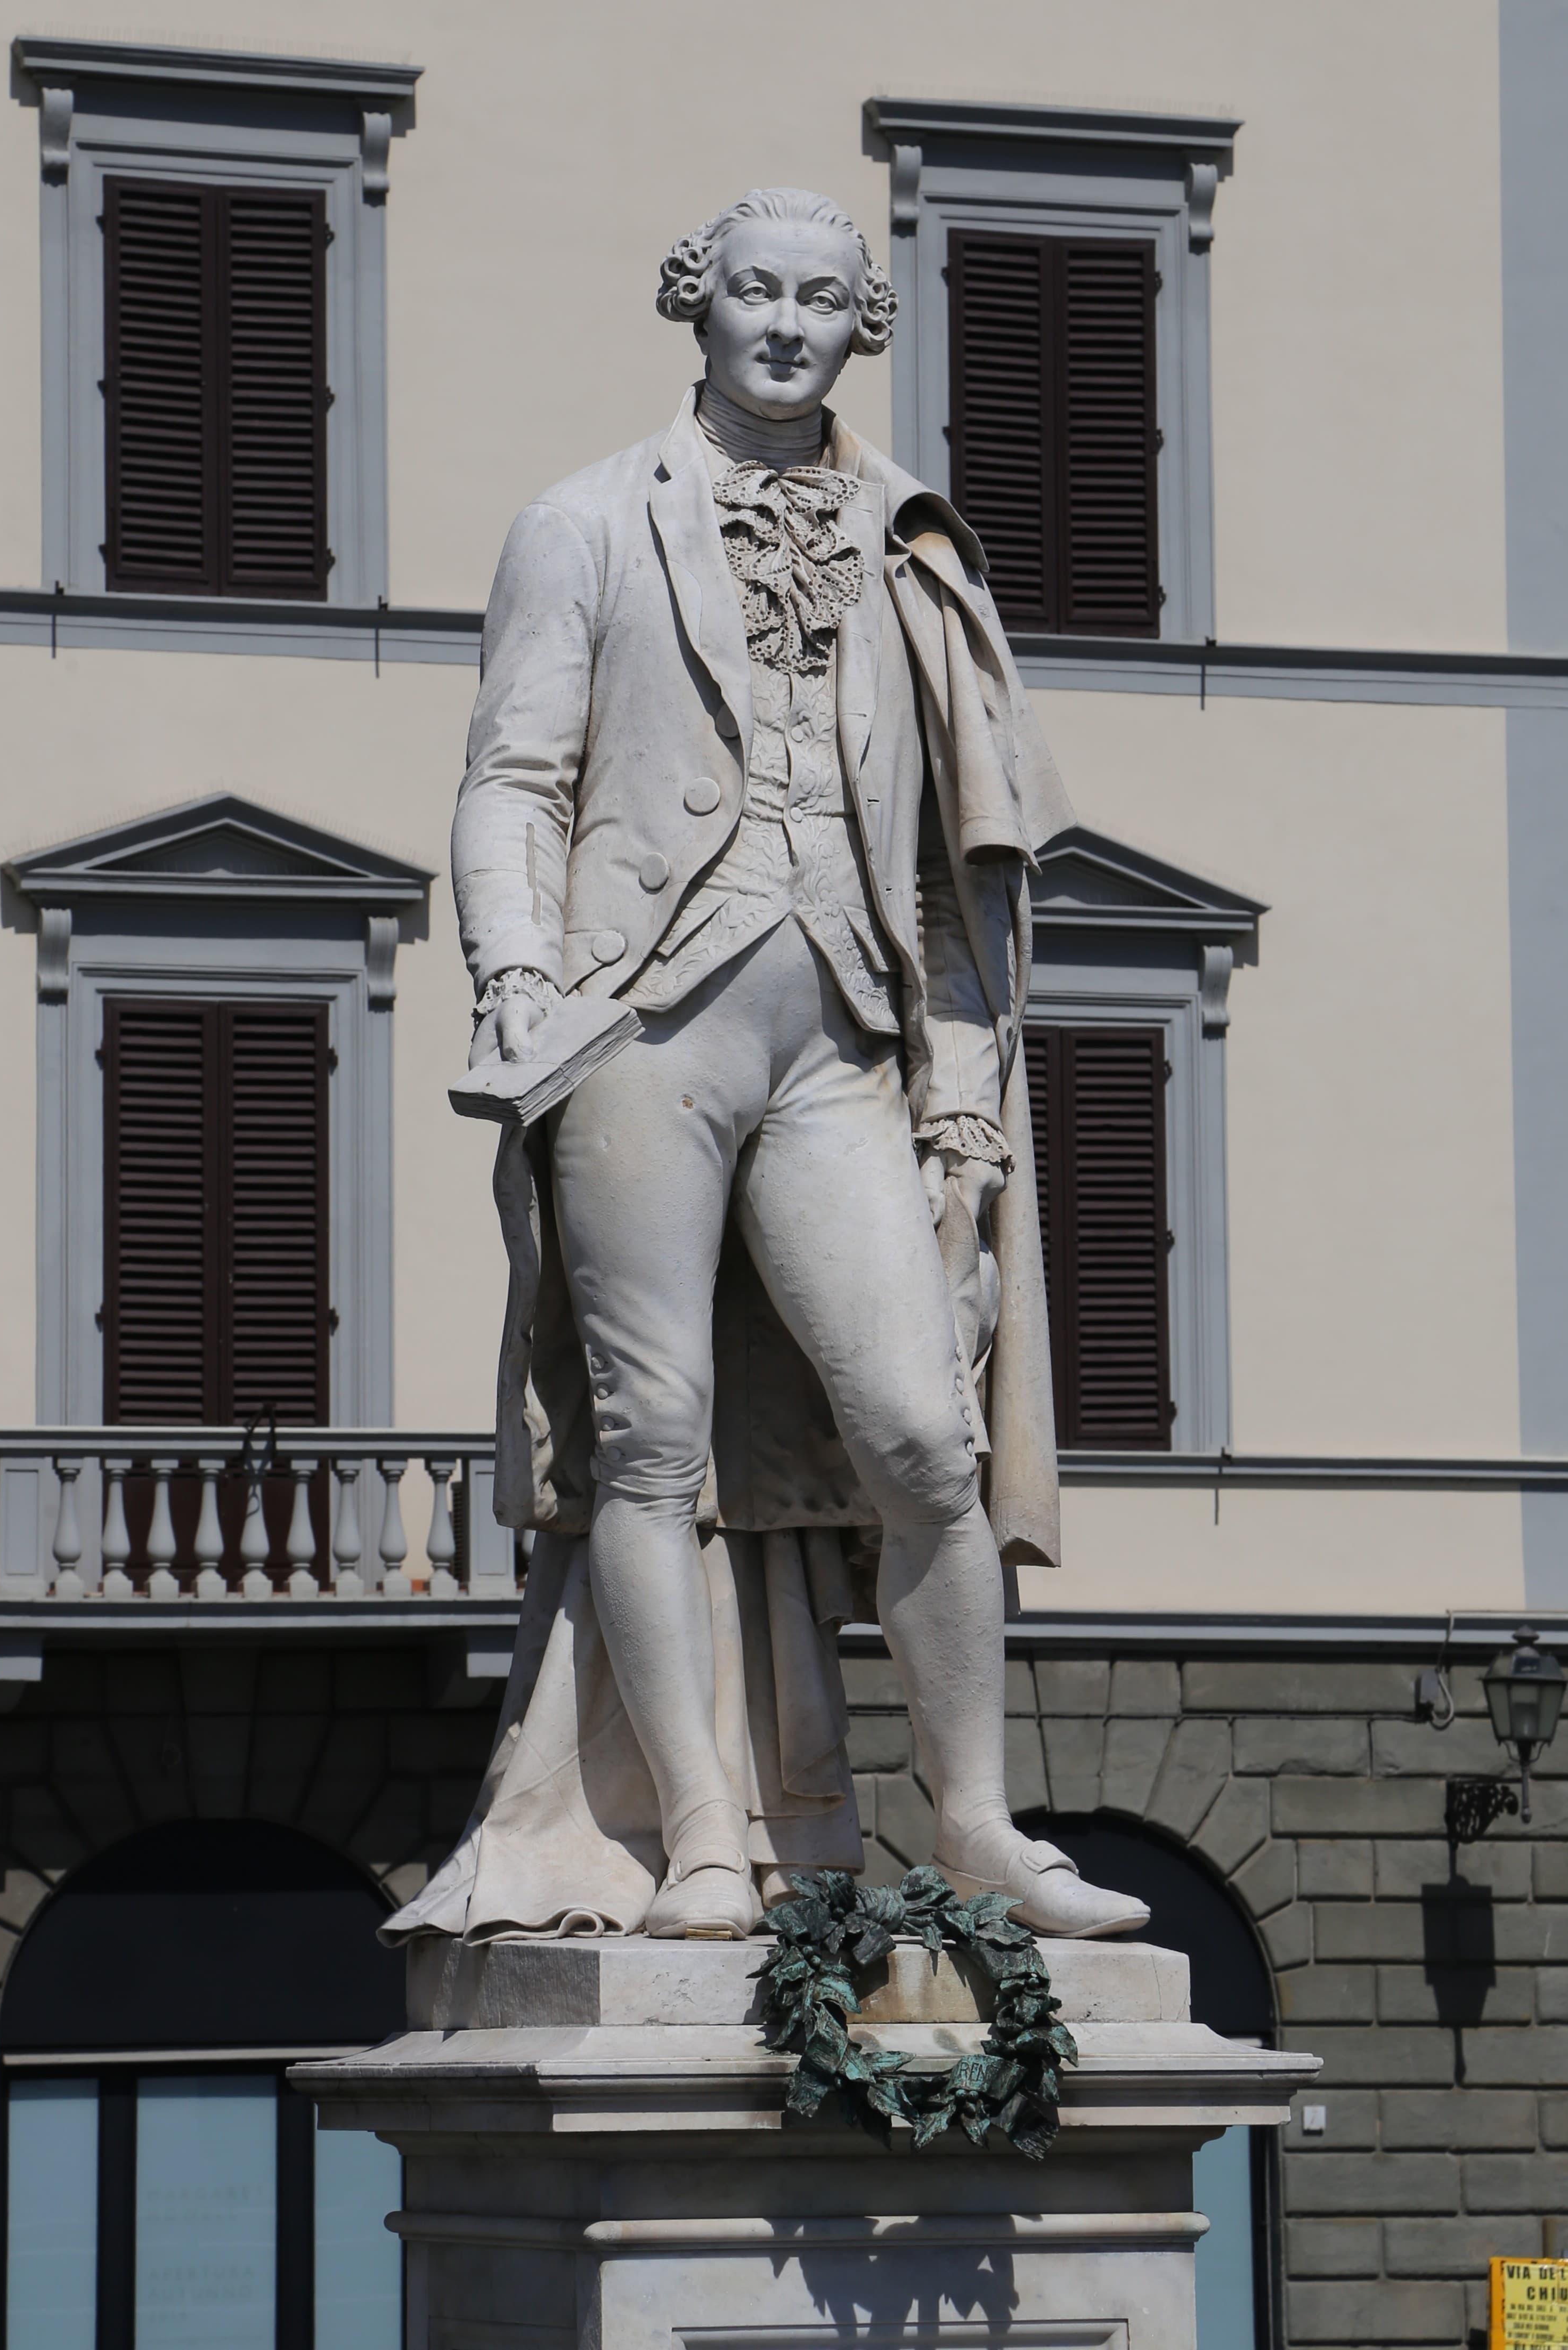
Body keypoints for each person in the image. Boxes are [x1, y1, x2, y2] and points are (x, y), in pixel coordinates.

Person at [389, 188, 1148, 1948]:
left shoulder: (912, 543)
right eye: (756, 292)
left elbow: (969, 846)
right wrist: (513, 975)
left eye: (823, 296)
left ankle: (971, 1819)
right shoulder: (581, 523)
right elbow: (511, 777)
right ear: (698, 306)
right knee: (647, 1443)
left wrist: (962, 1076)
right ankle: (715, 1836)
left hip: (840, 1031)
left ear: (859, 323)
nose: (788, 323)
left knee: (919, 1431)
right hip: (640, 1018)